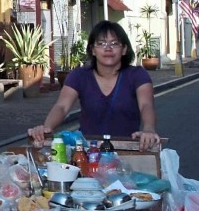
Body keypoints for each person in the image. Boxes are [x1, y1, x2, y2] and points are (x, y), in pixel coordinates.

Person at [27, 21, 160, 152]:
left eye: (114, 43)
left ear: (124, 49)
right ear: (93, 50)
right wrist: (46, 128)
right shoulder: (79, 75)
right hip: (89, 153)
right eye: (101, 43)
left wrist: (148, 129)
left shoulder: (137, 75)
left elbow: (146, 105)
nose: (108, 48)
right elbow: (62, 106)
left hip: (129, 151)